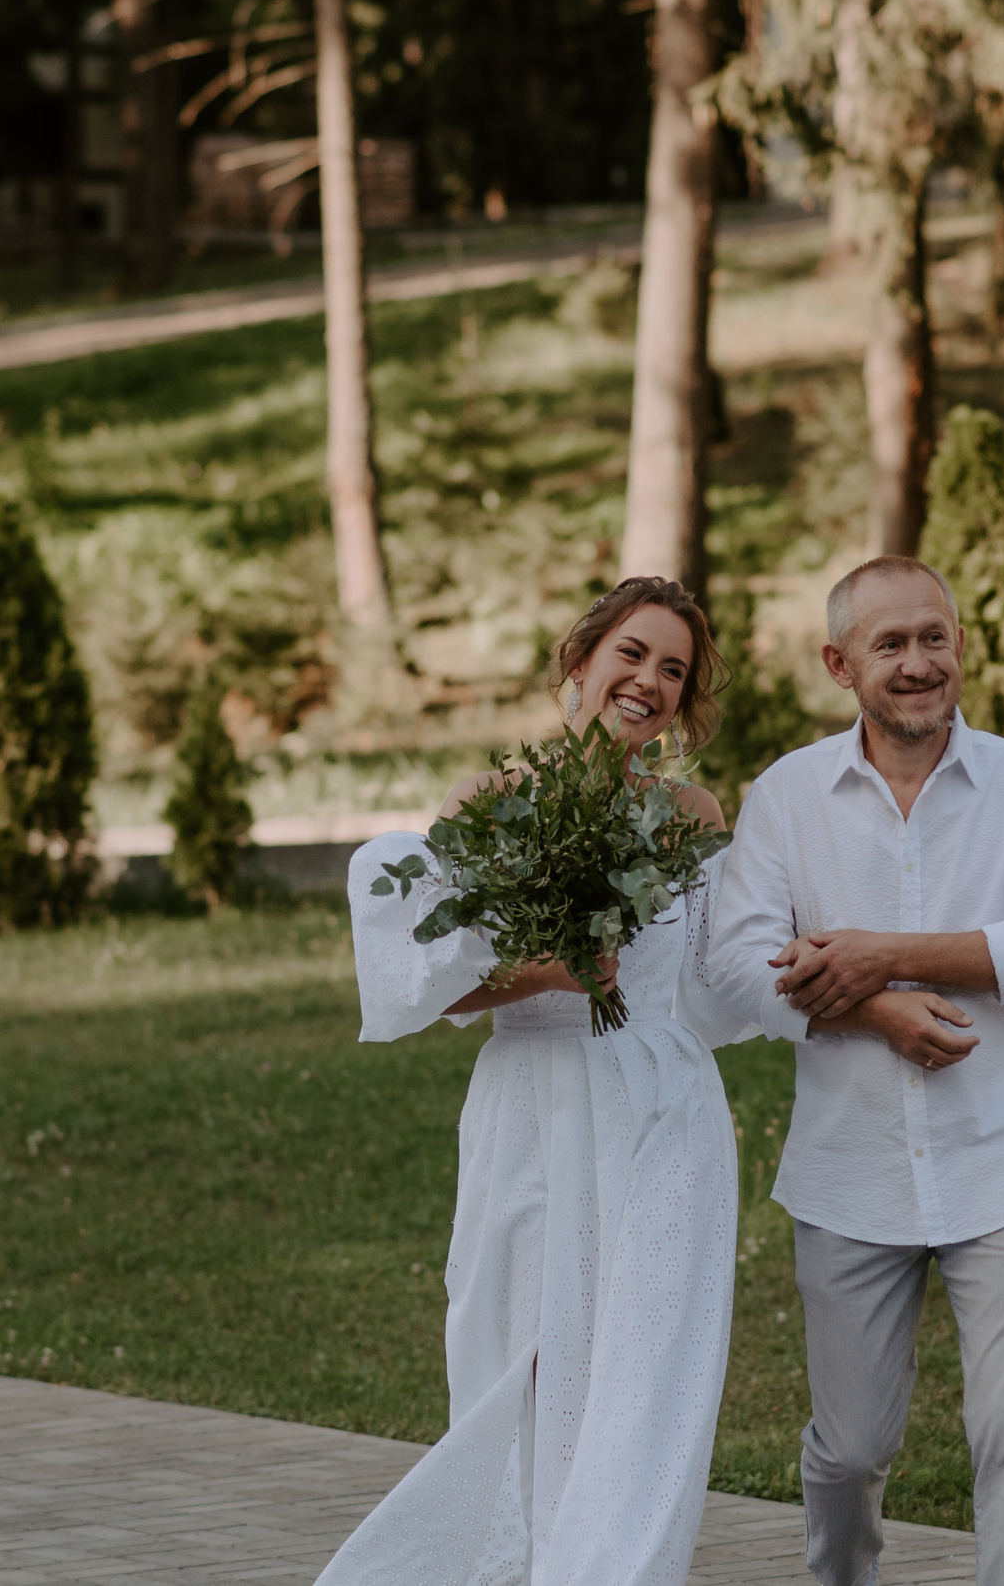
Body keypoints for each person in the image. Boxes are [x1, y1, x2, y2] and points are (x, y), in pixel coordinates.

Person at [680, 556, 1004, 1586]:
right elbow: (734, 966)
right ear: (840, 665)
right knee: (849, 1448)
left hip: (1002, 1159)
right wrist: (874, 1007)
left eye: (934, 637)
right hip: (851, 1168)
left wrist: (888, 952)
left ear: (959, 646)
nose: (918, 663)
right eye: (890, 644)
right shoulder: (788, 796)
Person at [321, 577, 739, 1586]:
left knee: (648, 1347)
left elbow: (717, 968)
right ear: (580, 663)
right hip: (532, 1098)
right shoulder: (493, 803)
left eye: (673, 669)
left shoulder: (692, 814)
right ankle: (521, 1559)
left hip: (661, 1100)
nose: (648, 681)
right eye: (631, 654)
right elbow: (444, 985)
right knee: (520, 1341)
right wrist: (555, 970)